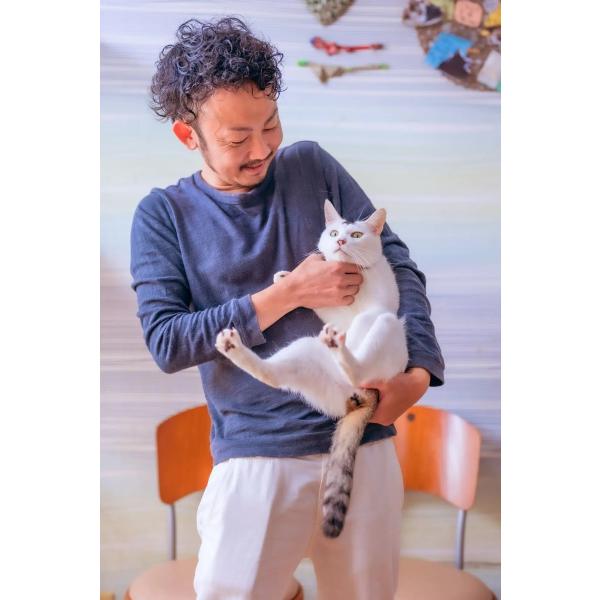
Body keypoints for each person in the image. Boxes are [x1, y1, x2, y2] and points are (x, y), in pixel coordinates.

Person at [130, 16, 445, 600]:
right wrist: (291, 292)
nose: (262, 149)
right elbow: (168, 342)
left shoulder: (312, 167)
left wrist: (419, 375)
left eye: (270, 124)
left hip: (362, 442)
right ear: (187, 135)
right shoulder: (163, 215)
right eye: (236, 139)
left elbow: (397, 262)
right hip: (256, 454)